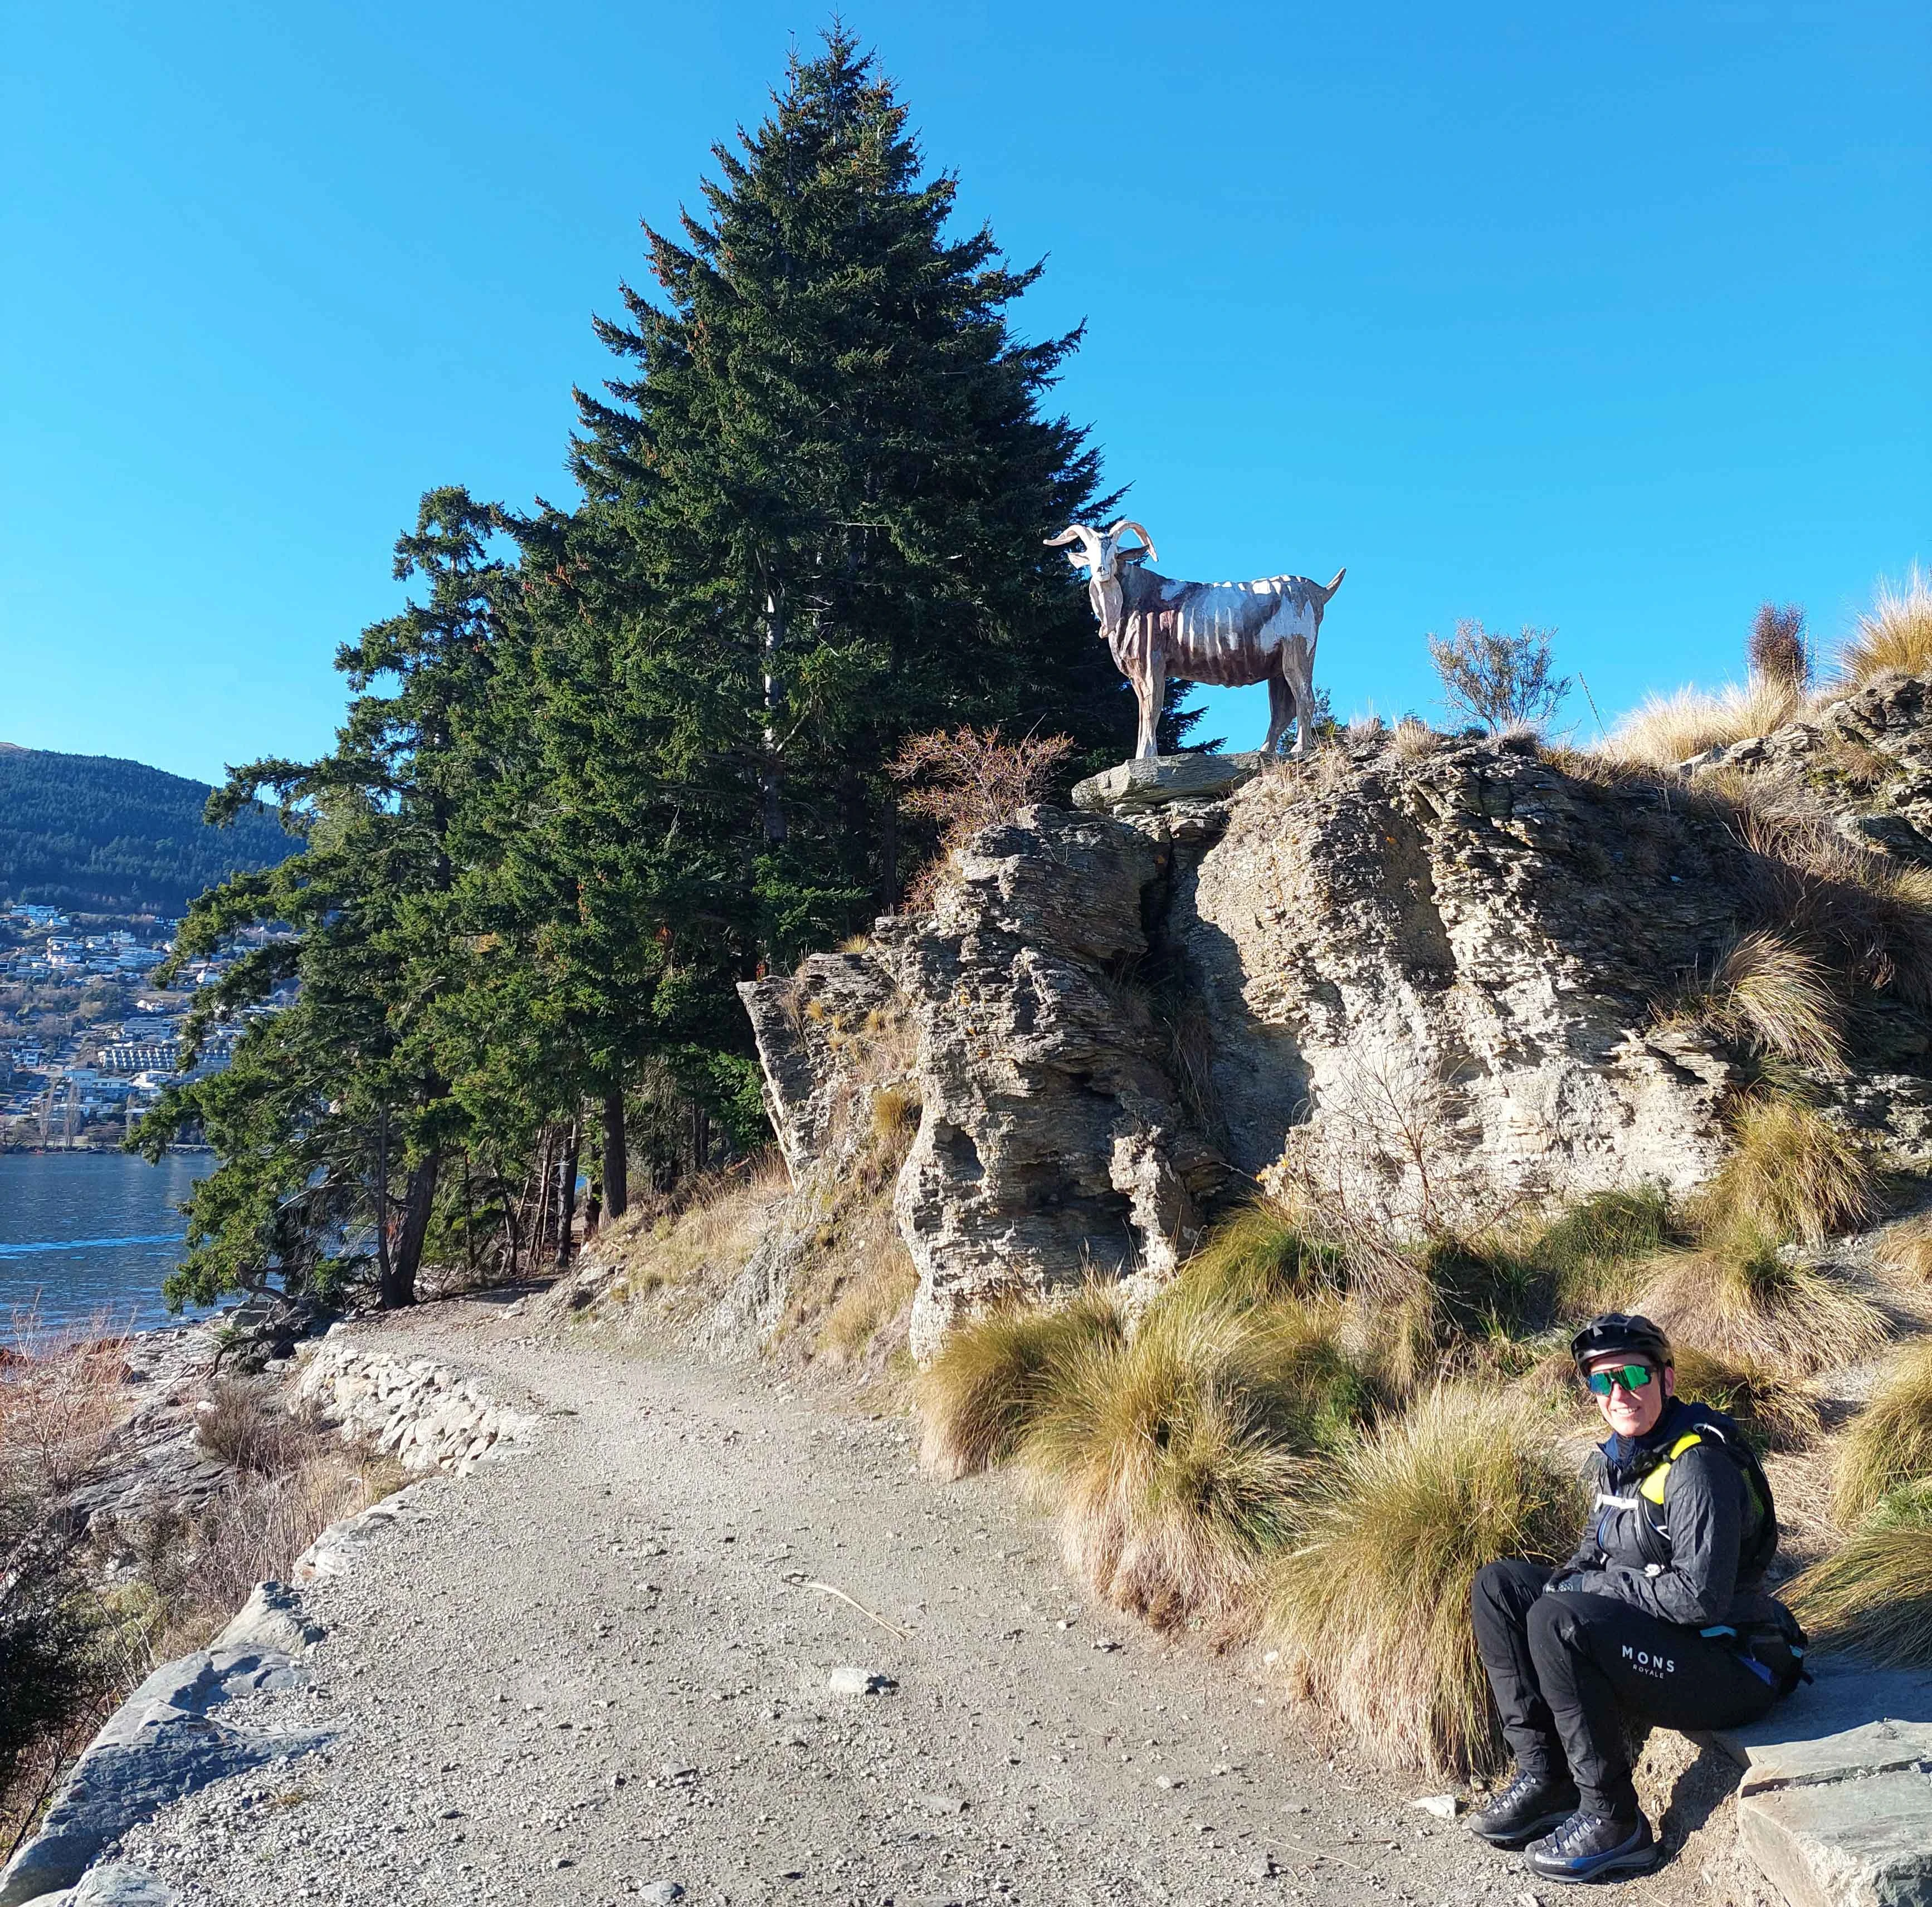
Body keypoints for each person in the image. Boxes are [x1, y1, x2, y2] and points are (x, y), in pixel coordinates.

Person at [1466, 1313, 1804, 1884]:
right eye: (1602, 1382)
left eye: (1631, 1375)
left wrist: (1585, 1591)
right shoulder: (1620, 1458)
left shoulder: (1698, 1465)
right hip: (1665, 1638)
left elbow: (1700, 1598)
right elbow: (1591, 1555)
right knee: (1500, 1588)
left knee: (1558, 1619)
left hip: (1730, 1663)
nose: (1618, 1393)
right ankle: (1547, 1776)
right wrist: (1569, 1581)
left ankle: (1614, 1821)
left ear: (1667, 1380)